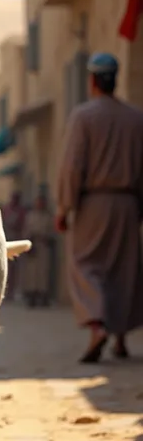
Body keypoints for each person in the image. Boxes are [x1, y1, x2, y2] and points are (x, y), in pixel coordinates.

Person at [56, 52, 143, 363]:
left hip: (93, 202)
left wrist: (65, 207)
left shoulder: (83, 116)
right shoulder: (136, 118)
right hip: (128, 203)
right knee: (124, 268)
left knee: (86, 264)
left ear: (92, 80)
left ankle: (96, 326)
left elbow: (72, 166)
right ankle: (120, 339)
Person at [22, 191, 54, 307]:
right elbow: (26, 230)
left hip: (44, 247)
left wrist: (47, 238)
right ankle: (32, 297)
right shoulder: (30, 216)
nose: (40, 204)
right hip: (33, 246)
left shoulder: (48, 216)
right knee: (32, 273)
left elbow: (52, 232)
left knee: (43, 272)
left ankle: (43, 297)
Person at [2, 191, 26, 300]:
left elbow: (22, 226)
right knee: (4, 266)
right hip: (6, 240)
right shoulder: (6, 210)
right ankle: (4, 290)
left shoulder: (21, 212)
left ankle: (12, 291)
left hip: (16, 240)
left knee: (14, 269)